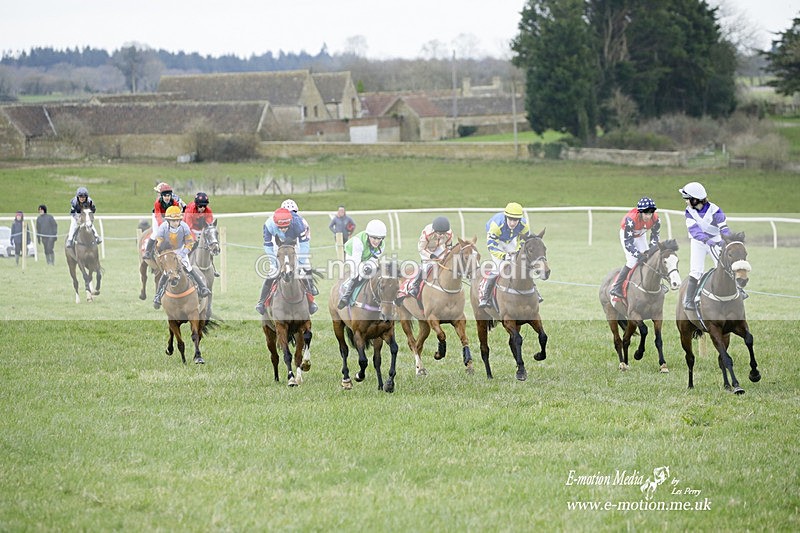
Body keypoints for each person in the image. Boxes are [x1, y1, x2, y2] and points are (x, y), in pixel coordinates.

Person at [679, 181, 733, 311]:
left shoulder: (715, 210)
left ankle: (739, 291)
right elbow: (694, 230)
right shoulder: (688, 212)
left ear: (695, 199)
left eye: (687, 199)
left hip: (716, 239)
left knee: (725, 266)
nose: (685, 202)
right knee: (696, 271)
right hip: (699, 242)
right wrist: (706, 240)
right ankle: (689, 300)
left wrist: (726, 239)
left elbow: (724, 228)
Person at [255, 207, 317, 315]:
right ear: (275, 224)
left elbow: (304, 244)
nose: (283, 229)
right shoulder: (269, 225)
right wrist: (274, 262)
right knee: (272, 272)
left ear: (290, 222)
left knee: (305, 268)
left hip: (294, 244)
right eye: (280, 227)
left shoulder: (298, 223)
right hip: (276, 245)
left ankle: (311, 298)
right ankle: (261, 301)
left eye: (285, 227)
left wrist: (301, 262)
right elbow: (268, 245)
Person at [152, 206, 211, 309]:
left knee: (189, 268)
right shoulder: (162, 228)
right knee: (166, 273)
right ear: (168, 220)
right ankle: (158, 295)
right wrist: (160, 250)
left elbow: (189, 242)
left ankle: (203, 287)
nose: (176, 223)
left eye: (177, 220)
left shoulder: (184, 227)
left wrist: (182, 254)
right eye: (173, 221)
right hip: (169, 251)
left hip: (181, 249)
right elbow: (159, 242)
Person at [477, 202, 532, 308]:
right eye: (510, 219)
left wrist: (517, 251)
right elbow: (491, 247)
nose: (512, 223)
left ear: (519, 220)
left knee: (521, 267)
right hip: (497, 242)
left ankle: (535, 292)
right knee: (498, 268)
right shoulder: (496, 225)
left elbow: (523, 241)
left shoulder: (524, 225)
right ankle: (485, 298)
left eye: (515, 220)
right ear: (506, 217)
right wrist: (503, 256)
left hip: (511, 240)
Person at [609, 197, 661, 298]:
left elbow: (655, 236)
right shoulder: (630, 220)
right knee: (632, 260)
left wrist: (651, 250)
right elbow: (628, 243)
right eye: (646, 213)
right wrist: (638, 254)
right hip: (627, 235)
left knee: (648, 258)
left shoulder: (656, 219)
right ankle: (617, 286)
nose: (648, 216)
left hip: (641, 234)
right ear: (640, 212)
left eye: (650, 213)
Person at [337, 219, 387, 309]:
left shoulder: (382, 245)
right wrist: (362, 270)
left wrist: (368, 266)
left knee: (373, 271)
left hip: (367, 257)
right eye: (374, 238)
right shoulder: (358, 241)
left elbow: (373, 259)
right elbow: (356, 262)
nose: (376, 241)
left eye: (379, 238)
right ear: (368, 235)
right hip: (352, 255)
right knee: (357, 274)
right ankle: (346, 297)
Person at [279, 198, 319, 298]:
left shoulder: (301, 223)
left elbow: (304, 243)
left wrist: (300, 260)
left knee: (306, 265)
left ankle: (310, 289)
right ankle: (264, 299)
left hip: (298, 246)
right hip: (282, 247)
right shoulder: (277, 221)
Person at [408, 216, 453, 298]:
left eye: (443, 233)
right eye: (439, 234)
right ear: (435, 231)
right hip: (426, 249)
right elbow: (421, 249)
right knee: (427, 266)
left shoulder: (449, 233)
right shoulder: (427, 233)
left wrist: (446, 256)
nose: (442, 236)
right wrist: (431, 256)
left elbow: (448, 247)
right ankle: (415, 286)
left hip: (439, 247)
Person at [143, 183, 182, 260]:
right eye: (165, 196)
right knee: (156, 233)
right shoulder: (157, 203)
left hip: (169, 217)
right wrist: (162, 225)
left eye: (168, 196)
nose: (167, 197)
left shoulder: (174, 203)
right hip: (157, 216)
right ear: (162, 196)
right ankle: (147, 251)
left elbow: (177, 212)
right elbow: (158, 216)